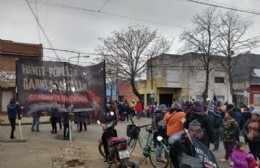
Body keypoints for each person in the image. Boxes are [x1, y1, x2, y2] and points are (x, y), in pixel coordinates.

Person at [164, 102, 186, 168]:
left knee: (171, 150)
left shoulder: (167, 114)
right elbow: (184, 122)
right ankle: (177, 164)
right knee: (178, 151)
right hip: (178, 135)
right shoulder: (182, 114)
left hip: (169, 135)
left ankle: (171, 161)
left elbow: (163, 123)